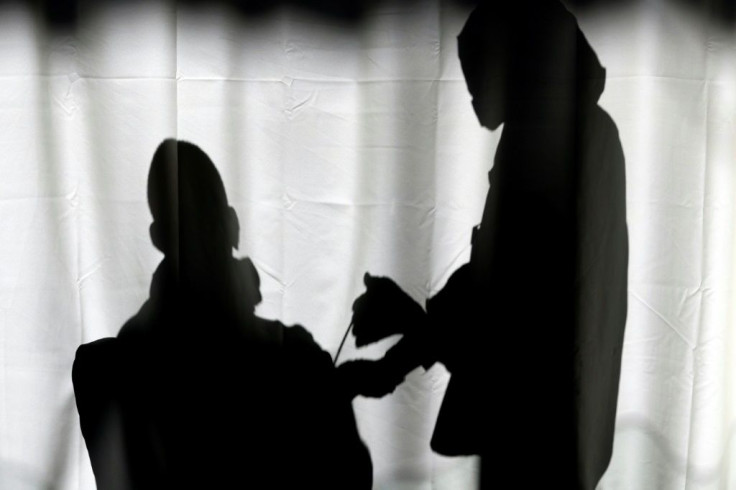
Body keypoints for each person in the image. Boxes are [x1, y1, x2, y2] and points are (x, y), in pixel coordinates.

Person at [338, 2, 628, 489]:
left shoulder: (550, 147)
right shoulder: (566, 135)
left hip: (535, 435)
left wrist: (408, 328)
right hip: (548, 431)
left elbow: (513, 312)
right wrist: (401, 352)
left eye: (479, 72)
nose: (471, 91)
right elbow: (496, 285)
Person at [72, 140, 372, 489]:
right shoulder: (293, 356)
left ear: (158, 238)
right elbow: (351, 477)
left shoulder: (108, 369)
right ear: (232, 225)